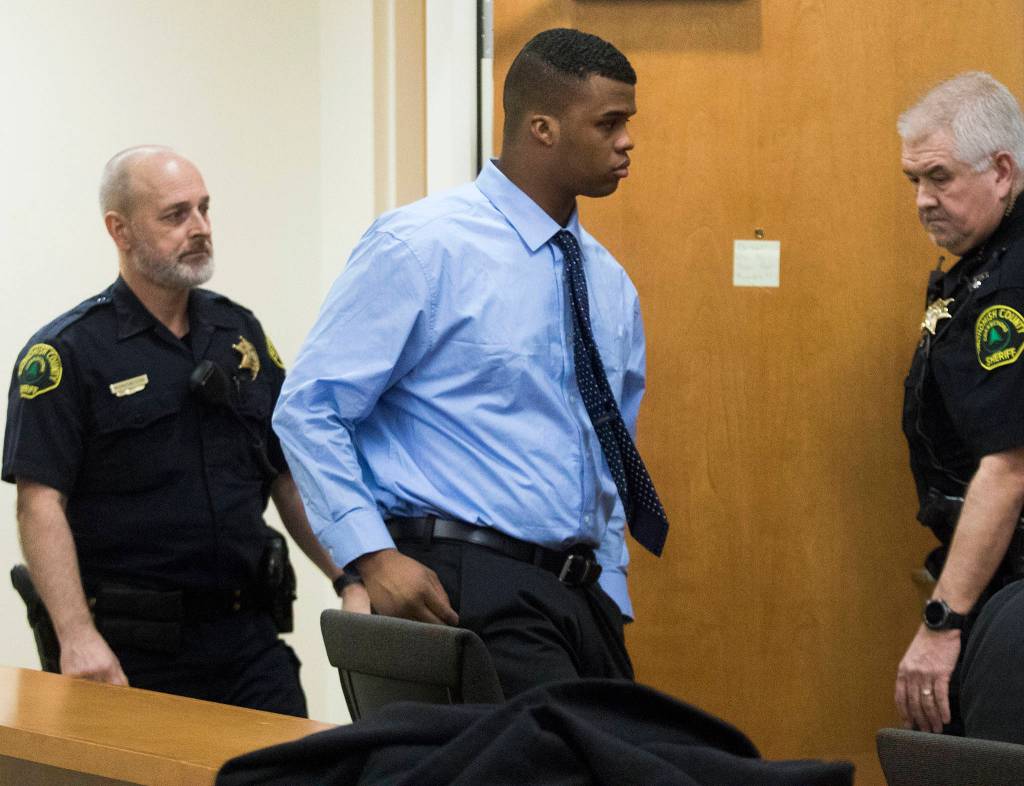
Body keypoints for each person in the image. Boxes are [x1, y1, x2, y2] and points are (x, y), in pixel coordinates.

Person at [273, 28, 669, 698]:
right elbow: (309, 409)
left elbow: (607, 454)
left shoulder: (610, 285)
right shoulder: (423, 247)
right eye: (609, 123)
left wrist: (611, 592)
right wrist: (370, 558)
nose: (627, 141)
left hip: (578, 598)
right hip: (461, 580)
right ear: (542, 128)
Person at [2, 146, 368, 716]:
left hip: (247, 641)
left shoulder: (237, 334)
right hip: (132, 652)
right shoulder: (67, 354)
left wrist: (349, 574)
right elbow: (39, 503)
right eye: (175, 215)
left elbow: (286, 475)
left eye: (204, 209)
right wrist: (75, 636)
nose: (199, 228)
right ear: (119, 230)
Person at [895, 71, 1024, 736]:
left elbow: (1009, 468)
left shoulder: (1012, 284)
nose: (923, 200)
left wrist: (944, 622)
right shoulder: (982, 262)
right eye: (914, 181)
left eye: (939, 177)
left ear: (1002, 171)